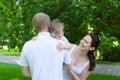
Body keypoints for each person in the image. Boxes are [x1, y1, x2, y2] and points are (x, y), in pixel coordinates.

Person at [18, 13, 71, 80]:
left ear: (35, 27)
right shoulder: (62, 44)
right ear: (49, 25)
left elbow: (25, 72)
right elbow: (68, 66)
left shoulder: (27, 45)